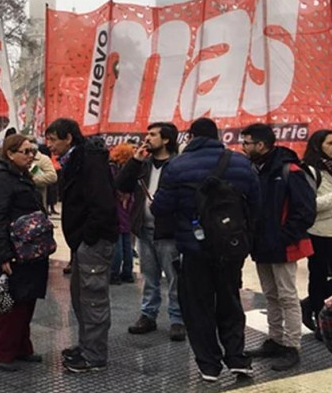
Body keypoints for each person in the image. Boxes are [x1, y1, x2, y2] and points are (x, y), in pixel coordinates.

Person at [151, 118, 260, 382]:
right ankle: (237, 358)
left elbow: (160, 208)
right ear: (217, 136)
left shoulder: (176, 166)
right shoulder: (241, 163)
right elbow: (256, 204)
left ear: (191, 137)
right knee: (230, 301)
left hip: (194, 248)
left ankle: (209, 365)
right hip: (231, 247)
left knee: (198, 306)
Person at [241, 123, 317, 372]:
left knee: (287, 296)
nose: (243, 147)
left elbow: (305, 210)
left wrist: (283, 236)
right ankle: (275, 339)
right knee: (270, 295)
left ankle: (292, 346)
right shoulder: (256, 169)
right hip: (262, 245)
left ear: (261, 145)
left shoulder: (289, 169)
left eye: (247, 142)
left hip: (284, 246)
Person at [45, 119, 117, 373]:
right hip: (83, 242)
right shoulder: (76, 160)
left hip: (93, 242)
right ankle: (87, 345)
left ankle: (95, 355)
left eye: (53, 139)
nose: (49, 145)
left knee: (93, 298)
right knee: (81, 297)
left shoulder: (89, 161)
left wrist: (88, 237)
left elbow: (103, 204)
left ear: (69, 138)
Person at [115, 122, 185, 341]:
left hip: (168, 231)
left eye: (153, 134)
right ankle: (148, 314)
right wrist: (135, 160)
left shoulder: (178, 164)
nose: (147, 138)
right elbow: (122, 184)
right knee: (149, 276)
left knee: (174, 277)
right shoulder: (143, 164)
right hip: (144, 229)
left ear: (166, 139)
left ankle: (177, 319)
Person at [0, 135, 48, 372]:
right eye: (25, 151)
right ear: (10, 153)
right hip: (12, 252)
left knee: (25, 300)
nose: (31, 155)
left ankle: (21, 347)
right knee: (8, 303)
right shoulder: (1, 179)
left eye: (32, 150)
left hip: (29, 250)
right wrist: (2, 255)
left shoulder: (21, 176)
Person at [300, 130, 332, 340]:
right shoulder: (311, 171)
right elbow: (311, 205)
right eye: (330, 143)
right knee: (318, 277)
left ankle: (309, 303)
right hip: (318, 233)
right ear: (318, 146)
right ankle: (319, 319)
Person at [109, 143, 136, 285]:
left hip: (116, 206)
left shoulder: (113, 169)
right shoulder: (132, 169)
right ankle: (128, 272)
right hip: (129, 206)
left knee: (117, 241)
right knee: (127, 241)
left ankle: (114, 273)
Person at [29, 141, 58, 210]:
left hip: (38, 203)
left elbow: (52, 176)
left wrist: (31, 180)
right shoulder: (18, 159)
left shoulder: (42, 159)